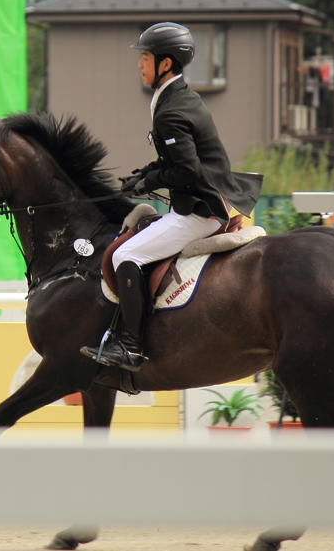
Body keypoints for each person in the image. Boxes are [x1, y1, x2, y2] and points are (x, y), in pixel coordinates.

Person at [80, 22, 263, 372]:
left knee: (125, 255)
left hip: (199, 212)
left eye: (145, 57)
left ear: (166, 64)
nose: (139, 64)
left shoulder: (172, 110)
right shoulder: (176, 98)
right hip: (201, 202)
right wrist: (143, 175)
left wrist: (149, 179)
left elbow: (188, 171)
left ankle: (130, 346)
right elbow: (175, 161)